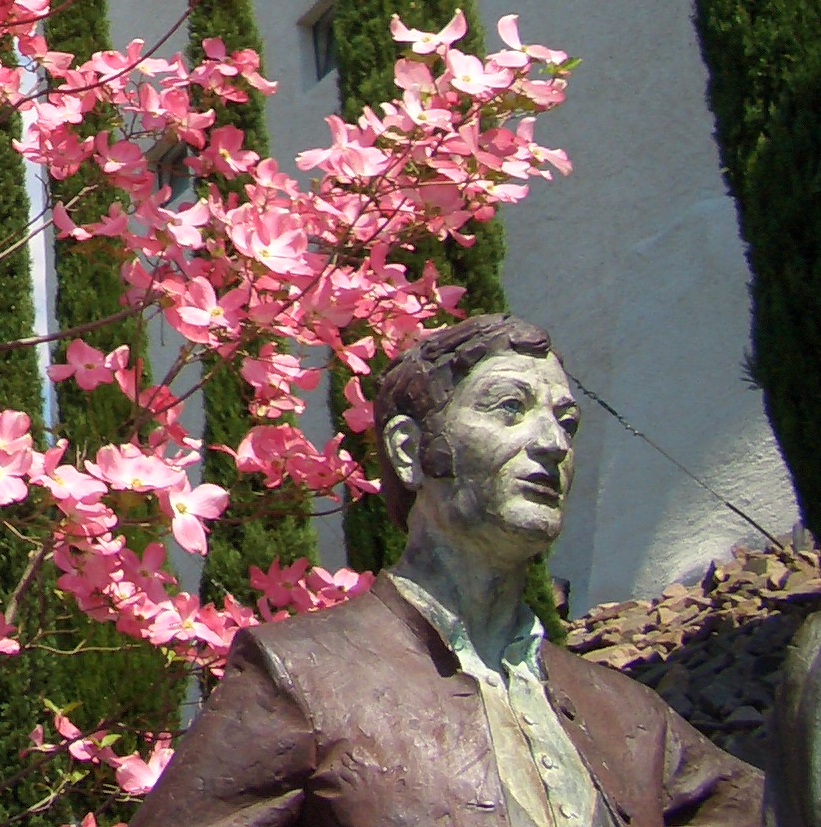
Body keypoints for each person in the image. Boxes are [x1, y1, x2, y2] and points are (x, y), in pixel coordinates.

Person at [135, 314, 763, 827]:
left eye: (566, 421)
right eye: (509, 408)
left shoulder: (626, 715)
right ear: (411, 451)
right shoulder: (301, 679)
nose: (553, 441)